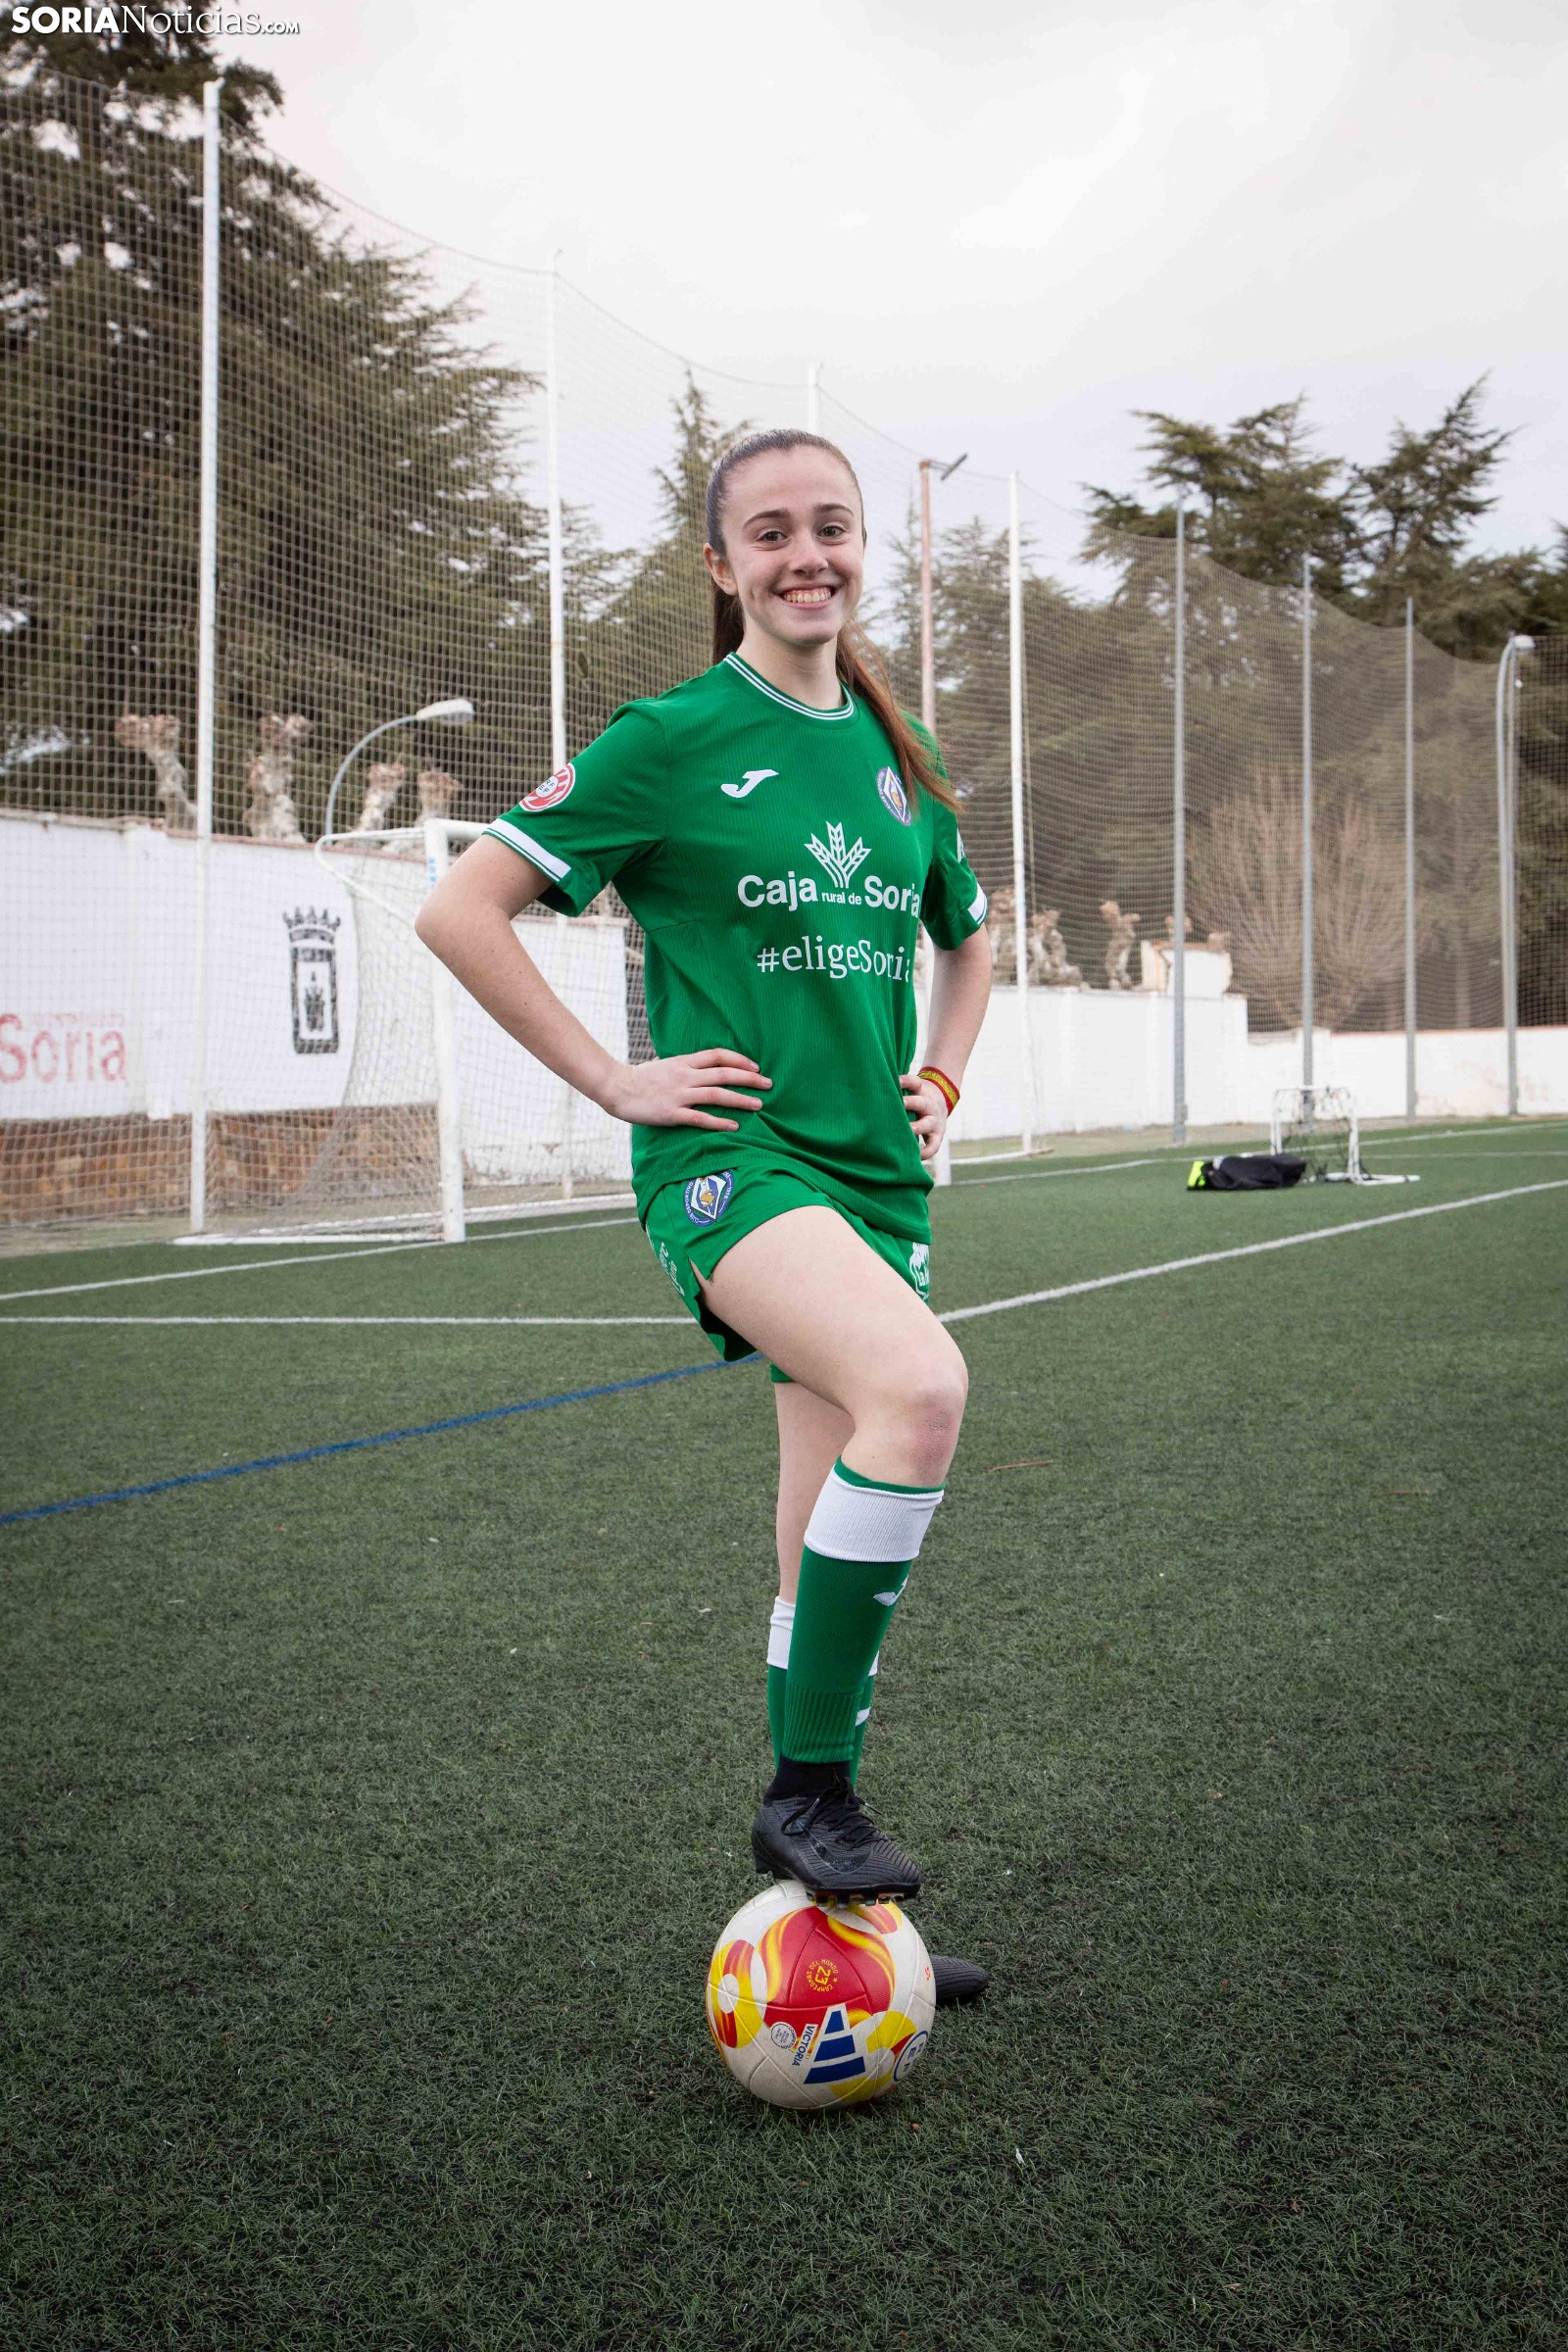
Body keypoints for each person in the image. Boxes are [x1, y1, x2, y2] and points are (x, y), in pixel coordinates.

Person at [416, 429, 995, 2001]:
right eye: (773, 532)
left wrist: (943, 1075)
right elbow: (462, 907)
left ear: (864, 548)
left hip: (875, 1177)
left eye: (833, 527)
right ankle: (807, 1797)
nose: (809, 555)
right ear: (722, 564)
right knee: (921, 1391)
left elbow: (967, 937)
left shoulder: (903, 754)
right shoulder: (669, 738)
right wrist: (614, 1078)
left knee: (817, 1537)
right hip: (736, 1165)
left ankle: (829, 1906)